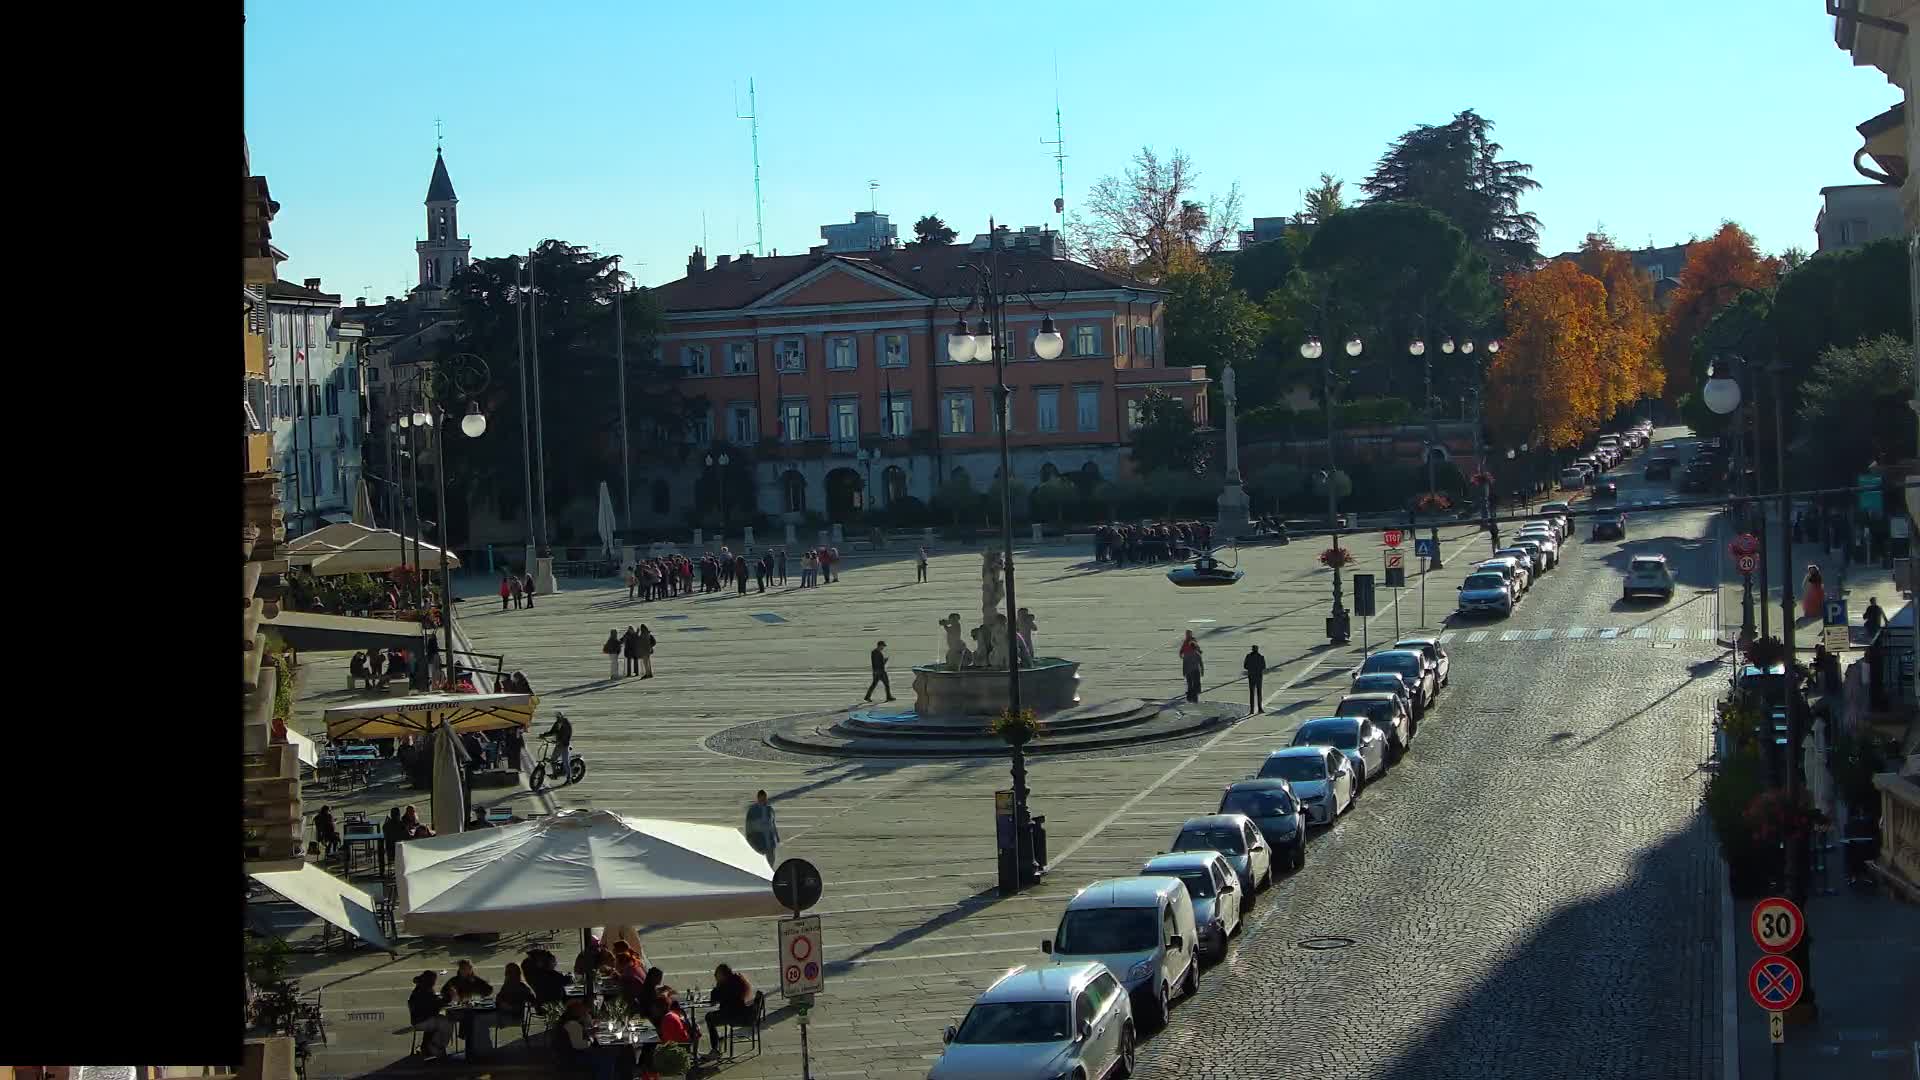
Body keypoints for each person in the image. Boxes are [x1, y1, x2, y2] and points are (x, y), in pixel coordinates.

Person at [703, 964, 757, 1059]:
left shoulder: (726, 985)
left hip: (734, 1015)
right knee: (711, 1017)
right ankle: (718, 1041)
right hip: (742, 1012)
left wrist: (717, 985)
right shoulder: (737, 979)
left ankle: (715, 1049)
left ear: (722, 975)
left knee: (709, 1018)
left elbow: (714, 1000)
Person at [408, 970, 456, 1057]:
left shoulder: (422, 988)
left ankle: (430, 1046)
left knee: (442, 1020)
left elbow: (433, 1003)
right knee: (447, 1022)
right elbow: (436, 1006)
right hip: (422, 1021)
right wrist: (449, 997)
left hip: (420, 1019)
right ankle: (436, 1047)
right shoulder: (424, 991)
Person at [494, 962, 537, 1030]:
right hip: (509, 1017)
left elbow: (498, 1000)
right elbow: (533, 1001)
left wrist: (507, 1006)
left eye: (508, 972)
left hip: (510, 1018)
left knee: (480, 1020)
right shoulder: (508, 986)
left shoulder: (518, 987)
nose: (505, 974)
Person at [744, 789, 778, 864]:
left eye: (765, 798)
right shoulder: (752, 811)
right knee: (761, 863)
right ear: (758, 798)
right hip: (759, 841)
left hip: (770, 841)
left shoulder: (770, 809)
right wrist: (749, 840)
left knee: (771, 863)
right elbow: (749, 826)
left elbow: (773, 824)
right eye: (762, 798)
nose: (764, 800)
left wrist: (776, 838)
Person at [540, 711, 574, 777]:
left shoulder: (567, 724)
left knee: (565, 762)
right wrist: (543, 735)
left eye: (558, 717)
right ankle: (555, 774)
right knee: (552, 760)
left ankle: (569, 779)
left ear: (562, 716)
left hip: (564, 745)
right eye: (557, 717)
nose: (557, 718)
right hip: (558, 745)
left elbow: (567, 735)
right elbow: (552, 732)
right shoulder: (557, 723)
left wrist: (560, 741)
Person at [1180, 632, 1203, 703]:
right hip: (1195, 670)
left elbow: (1184, 663)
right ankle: (1195, 695)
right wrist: (1202, 670)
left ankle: (1190, 696)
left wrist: (1184, 671)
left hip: (1188, 671)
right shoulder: (1197, 654)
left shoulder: (1186, 654)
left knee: (1189, 683)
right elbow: (1201, 663)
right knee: (1196, 682)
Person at [1242, 645, 1266, 714]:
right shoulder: (1261, 657)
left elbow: (1245, 666)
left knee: (1252, 693)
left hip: (1251, 676)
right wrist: (1258, 669)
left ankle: (1252, 710)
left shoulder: (1248, 656)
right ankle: (1260, 709)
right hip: (1258, 676)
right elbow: (1263, 666)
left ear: (1252, 649)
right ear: (1257, 650)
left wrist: (1251, 668)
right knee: (1259, 693)